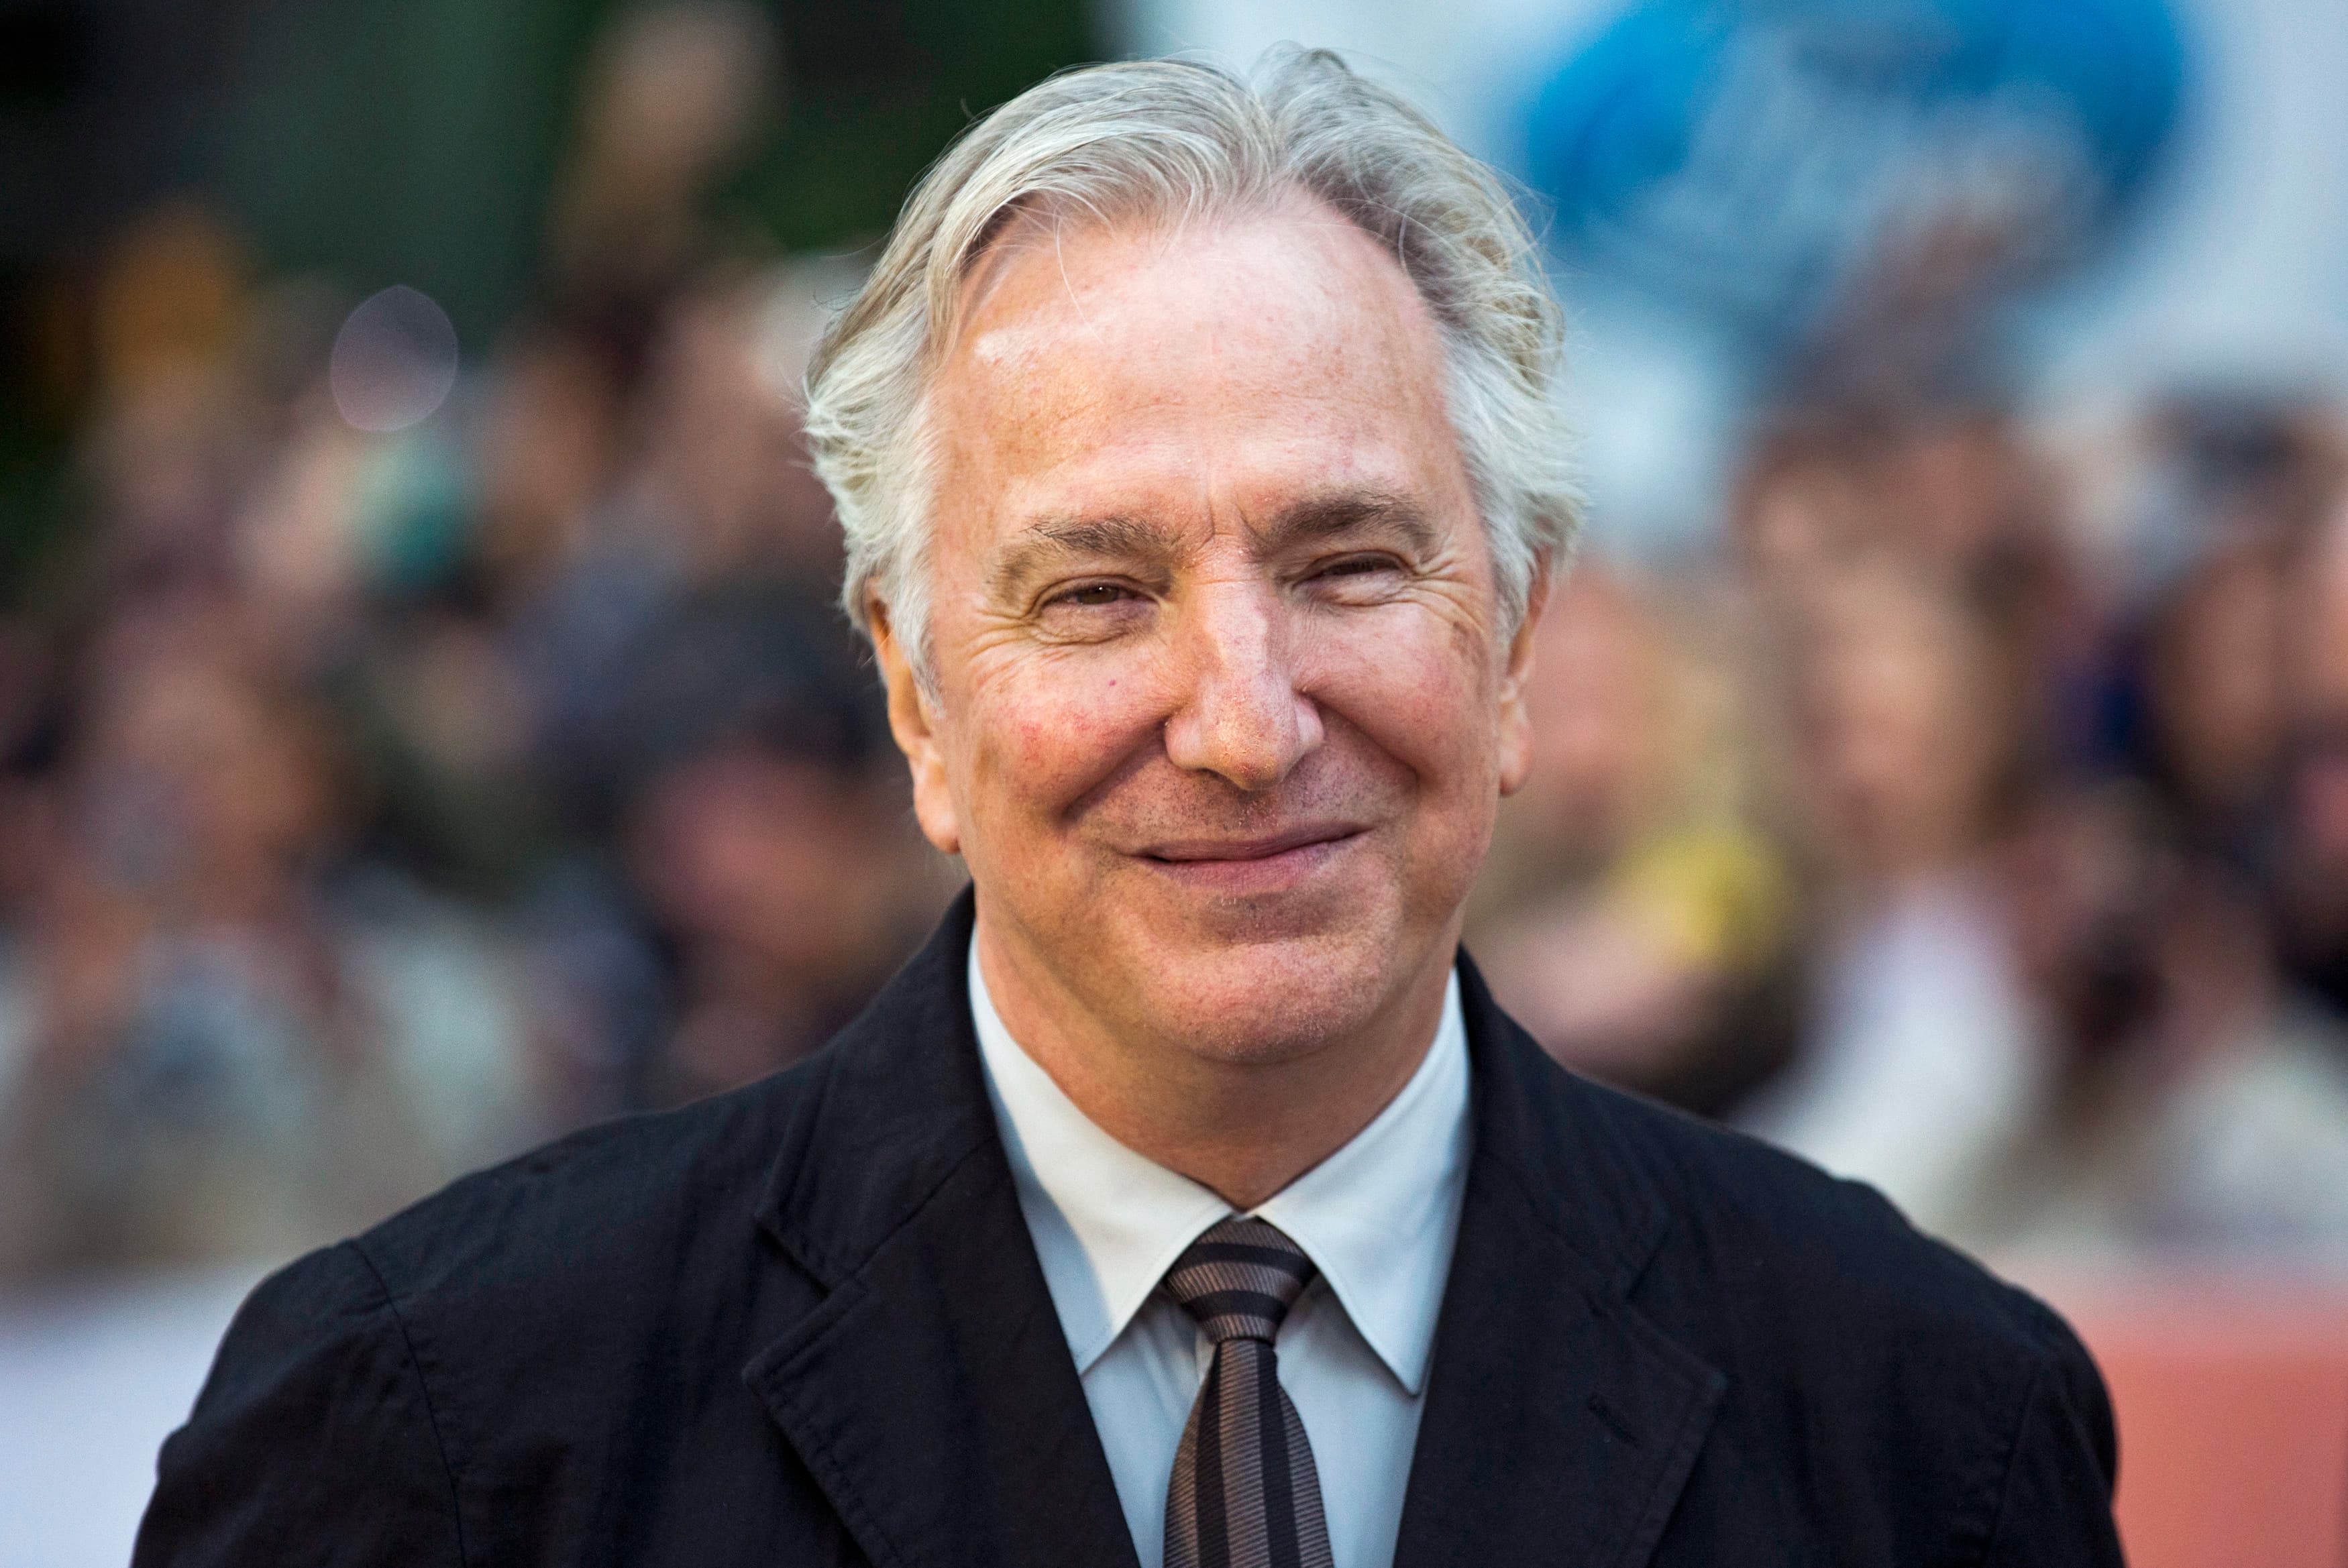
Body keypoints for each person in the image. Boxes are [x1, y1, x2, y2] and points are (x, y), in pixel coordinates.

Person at [136, 52, 2122, 1567]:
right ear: (914, 696)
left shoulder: (1925, 1426)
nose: (1245, 722)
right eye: (1095, 592)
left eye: (1347, 563)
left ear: (1513, 643)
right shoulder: (445, 1433)